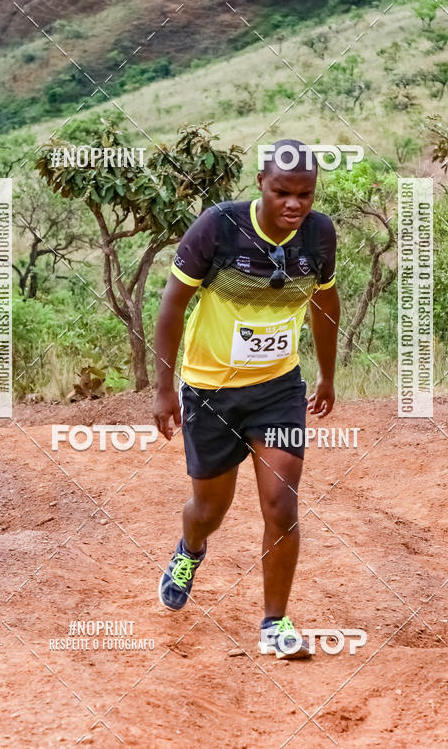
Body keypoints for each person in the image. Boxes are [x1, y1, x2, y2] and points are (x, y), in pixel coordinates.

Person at [153, 139, 340, 658]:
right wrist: (165, 388)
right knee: (209, 507)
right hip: (210, 389)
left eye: (305, 194)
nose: (294, 205)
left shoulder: (320, 235)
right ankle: (190, 548)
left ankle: (274, 623)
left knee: (281, 505)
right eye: (283, 191)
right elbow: (172, 306)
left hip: (278, 388)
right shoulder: (219, 227)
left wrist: (325, 375)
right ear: (260, 182)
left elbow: (325, 303)